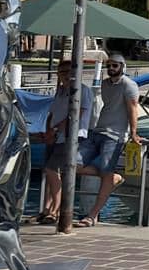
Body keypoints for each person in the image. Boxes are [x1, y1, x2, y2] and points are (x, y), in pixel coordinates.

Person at [75, 53, 139, 227]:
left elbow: (133, 108)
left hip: (115, 135)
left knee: (105, 172)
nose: (111, 68)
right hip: (98, 131)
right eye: (109, 65)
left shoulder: (129, 85)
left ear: (122, 66)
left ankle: (93, 215)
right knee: (73, 164)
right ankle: (113, 177)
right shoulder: (104, 84)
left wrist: (133, 133)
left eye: (115, 65)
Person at [34, 62, 93, 224]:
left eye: (68, 71)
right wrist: (47, 130)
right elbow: (52, 113)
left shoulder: (82, 91)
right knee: (48, 171)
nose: (65, 75)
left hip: (71, 137)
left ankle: (56, 209)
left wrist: (56, 130)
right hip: (55, 136)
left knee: (52, 169)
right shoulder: (60, 91)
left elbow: (76, 115)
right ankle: (46, 208)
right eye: (61, 72)